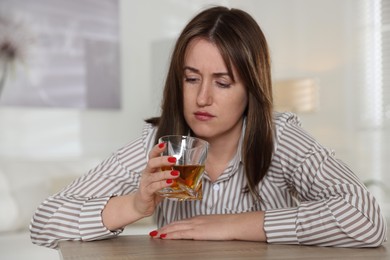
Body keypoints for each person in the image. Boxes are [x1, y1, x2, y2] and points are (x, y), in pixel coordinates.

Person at [30, 6, 387, 249]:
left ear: (251, 89)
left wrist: (232, 225)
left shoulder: (280, 139)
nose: (202, 98)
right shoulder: (157, 146)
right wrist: (136, 204)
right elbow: (44, 222)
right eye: (191, 79)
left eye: (223, 82)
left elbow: (366, 217)